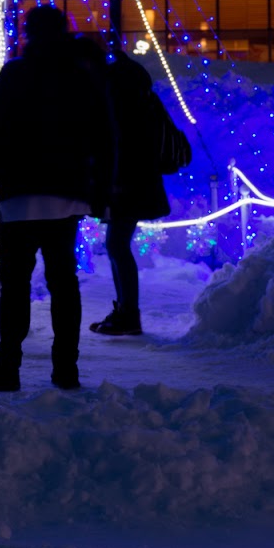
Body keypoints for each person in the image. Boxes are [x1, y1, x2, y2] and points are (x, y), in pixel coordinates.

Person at [0, 5, 114, 391]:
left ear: (28, 32)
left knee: (14, 284)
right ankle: (66, 367)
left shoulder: (15, 73)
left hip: (18, 192)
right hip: (66, 193)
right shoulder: (80, 76)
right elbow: (103, 136)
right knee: (64, 282)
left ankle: (8, 367)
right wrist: (100, 191)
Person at [90, 49, 182, 336]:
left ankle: (128, 313)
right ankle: (125, 311)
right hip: (138, 185)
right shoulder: (145, 101)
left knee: (117, 245)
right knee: (117, 245)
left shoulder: (126, 106)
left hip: (127, 186)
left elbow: (121, 150)